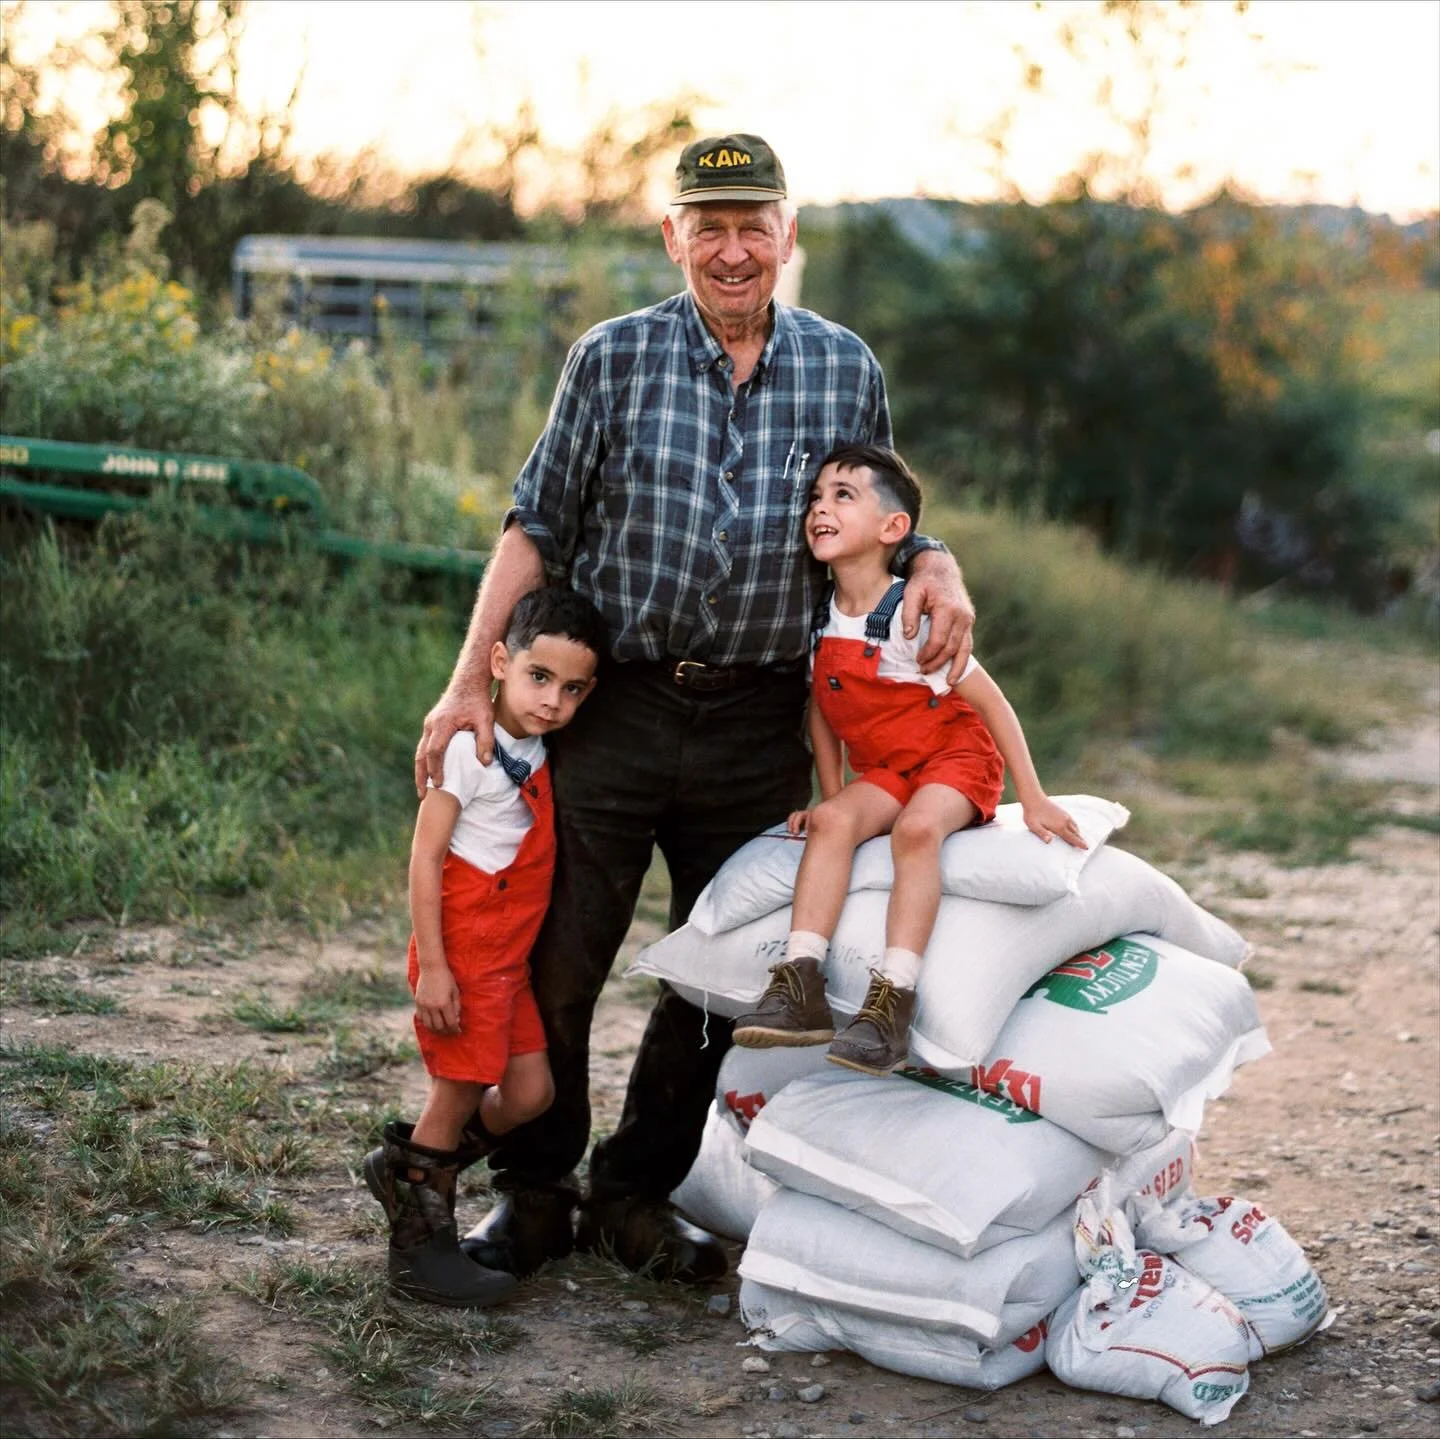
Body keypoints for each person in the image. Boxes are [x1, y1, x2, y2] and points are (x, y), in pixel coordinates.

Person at [415, 133, 976, 1286]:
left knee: (723, 975)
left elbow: (881, 521)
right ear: (672, 236)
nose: (732, 249)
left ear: (789, 235)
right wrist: (471, 677)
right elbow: (536, 524)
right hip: (615, 706)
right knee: (559, 960)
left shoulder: (843, 365)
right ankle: (534, 1194)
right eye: (707, 226)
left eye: (753, 224)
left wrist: (942, 562)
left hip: (759, 718)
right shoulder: (611, 358)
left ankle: (637, 1191)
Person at [731, 444, 1086, 1073]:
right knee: (835, 825)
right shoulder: (818, 617)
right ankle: (800, 983)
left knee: (919, 830)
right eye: (816, 496)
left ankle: (891, 998)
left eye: (844, 495)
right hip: (887, 766)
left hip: (956, 758)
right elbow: (822, 707)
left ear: (894, 529)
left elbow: (993, 704)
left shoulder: (910, 614)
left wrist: (1032, 796)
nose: (820, 507)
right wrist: (831, 793)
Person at [365, 586, 606, 1306]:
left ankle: (419, 1163)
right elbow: (425, 857)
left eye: (572, 689)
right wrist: (435, 967)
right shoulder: (469, 751)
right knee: (459, 1087)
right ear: (498, 662)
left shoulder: (536, 745)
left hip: (508, 962)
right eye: (539, 677)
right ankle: (417, 1246)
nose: (552, 700)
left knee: (531, 1092)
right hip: (465, 951)